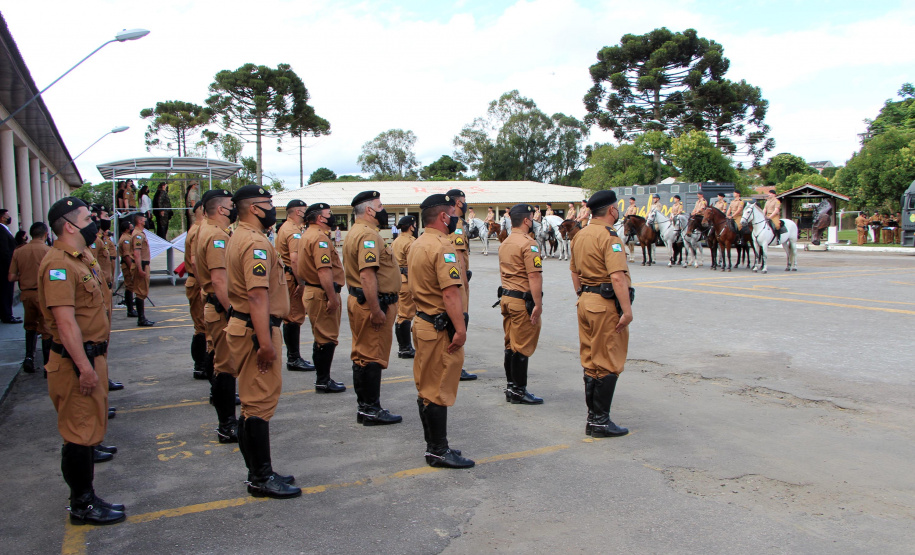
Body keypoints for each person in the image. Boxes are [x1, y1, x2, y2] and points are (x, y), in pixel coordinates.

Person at [39, 197, 124, 525]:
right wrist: (85, 368)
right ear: (70, 225)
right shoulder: (59, 264)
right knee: (78, 434)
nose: (96, 222)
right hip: (76, 364)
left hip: (91, 358)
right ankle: (82, 504)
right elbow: (65, 323)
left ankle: (86, 497)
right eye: (89, 217)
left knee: (88, 432)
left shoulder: (80, 258)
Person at [224, 185, 300, 499]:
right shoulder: (254, 242)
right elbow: (257, 295)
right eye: (268, 203)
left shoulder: (240, 236)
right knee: (258, 404)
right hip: (256, 331)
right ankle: (260, 477)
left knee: (254, 403)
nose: (272, 208)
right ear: (254, 208)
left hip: (248, 327)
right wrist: (265, 341)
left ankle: (260, 471)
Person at [406, 193, 474, 469]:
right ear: (444, 217)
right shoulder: (442, 246)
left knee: (427, 385)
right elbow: (450, 293)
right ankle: (437, 450)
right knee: (437, 388)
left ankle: (436, 446)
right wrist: (460, 329)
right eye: (452, 212)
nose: (456, 216)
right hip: (438, 327)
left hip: (422, 322)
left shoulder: (418, 243)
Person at [569, 189, 633, 438]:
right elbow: (617, 276)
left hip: (585, 301)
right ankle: (600, 422)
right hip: (604, 305)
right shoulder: (610, 237)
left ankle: (593, 418)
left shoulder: (580, 234)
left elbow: (574, 271)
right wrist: (626, 311)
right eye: (617, 207)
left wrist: (582, 293)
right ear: (611, 210)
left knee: (591, 360)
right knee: (607, 360)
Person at [342, 190, 403, 425]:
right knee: (371, 356)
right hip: (371, 305)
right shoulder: (368, 236)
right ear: (369, 210)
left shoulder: (356, 232)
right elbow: (367, 275)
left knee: (362, 354)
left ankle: (365, 407)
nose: (383, 210)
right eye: (380, 206)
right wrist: (376, 310)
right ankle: (370, 409)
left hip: (361, 302)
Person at [196, 189, 238, 442]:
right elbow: (219, 279)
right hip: (222, 309)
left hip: (216, 306)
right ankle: (227, 425)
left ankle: (227, 419)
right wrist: (233, 312)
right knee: (226, 367)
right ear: (222, 210)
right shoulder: (215, 236)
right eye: (231, 205)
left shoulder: (210, 230)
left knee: (223, 364)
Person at [297, 202, 346, 393]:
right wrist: (332, 297)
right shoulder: (319, 239)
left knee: (321, 337)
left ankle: (322, 379)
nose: (332, 217)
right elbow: (324, 270)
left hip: (313, 290)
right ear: (319, 218)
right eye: (329, 214)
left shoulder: (307, 235)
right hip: (321, 293)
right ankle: (323, 380)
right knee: (327, 338)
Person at [499, 204, 544, 405]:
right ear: (527, 220)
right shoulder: (529, 244)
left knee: (510, 344)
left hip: (507, 298)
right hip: (521, 301)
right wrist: (538, 304)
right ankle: (519, 390)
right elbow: (533, 275)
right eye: (532, 218)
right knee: (522, 346)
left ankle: (511, 387)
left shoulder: (505, 242)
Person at [275, 200, 315, 372]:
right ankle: (293, 358)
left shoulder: (287, 227)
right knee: (293, 317)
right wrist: (301, 282)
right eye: (305, 211)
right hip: (292, 278)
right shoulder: (293, 231)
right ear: (298, 212)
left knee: (292, 316)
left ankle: (294, 356)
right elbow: (295, 259)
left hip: (287, 276)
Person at [8, 221, 51, 373]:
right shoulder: (48, 251)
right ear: (45, 234)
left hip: (26, 295)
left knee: (30, 326)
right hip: (43, 294)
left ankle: (29, 358)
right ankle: (48, 365)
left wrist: (25, 276)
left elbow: (11, 277)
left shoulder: (19, 251)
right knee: (47, 329)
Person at [446, 188, 477, 381]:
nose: (465, 204)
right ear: (459, 203)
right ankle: (456, 367)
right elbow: (459, 258)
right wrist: (464, 286)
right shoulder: (456, 224)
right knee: (460, 321)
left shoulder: (450, 222)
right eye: (464, 201)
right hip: (458, 281)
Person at [184, 201, 208, 380]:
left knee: (202, 325)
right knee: (201, 326)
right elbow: (194, 261)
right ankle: (200, 365)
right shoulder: (199, 230)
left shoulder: (197, 228)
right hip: (198, 281)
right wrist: (204, 285)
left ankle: (201, 363)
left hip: (196, 279)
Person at [392, 216, 417, 359]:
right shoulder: (410, 242)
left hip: (398, 279)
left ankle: (403, 347)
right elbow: (414, 263)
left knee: (401, 313)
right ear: (411, 226)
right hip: (408, 280)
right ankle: (405, 348)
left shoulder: (396, 241)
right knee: (406, 314)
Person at [130, 213, 156, 327]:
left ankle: (142, 317)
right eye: (144, 220)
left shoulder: (140, 233)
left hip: (144, 264)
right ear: (140, 221)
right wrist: (140, 269)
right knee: (141, 292)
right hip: (142, 265)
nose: (146, 221)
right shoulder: (138, 235)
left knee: (142, 291)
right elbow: (137, 253)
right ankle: (141, 319)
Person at [0, 208, 20, 323]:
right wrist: (11, 267)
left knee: (6, 291)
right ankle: (7, 315)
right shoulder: (1, 230)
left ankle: (7, 314)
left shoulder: (4, 229)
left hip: (5, 267)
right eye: (7, 216)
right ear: (2, 218)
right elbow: (4, 251)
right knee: (6, 291)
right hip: (5, 268)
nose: (9, 217)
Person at [117, 218, 137, 318]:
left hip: (128, 264)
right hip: (127, 265)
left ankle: (131, 308)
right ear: (126, 229)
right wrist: (131, 268)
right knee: (129, 286)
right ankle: (130, 310)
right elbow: (126, 255)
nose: (132, 228)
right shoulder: (126, 239)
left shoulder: (128, 237)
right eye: (130, 227)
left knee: (131, 286)